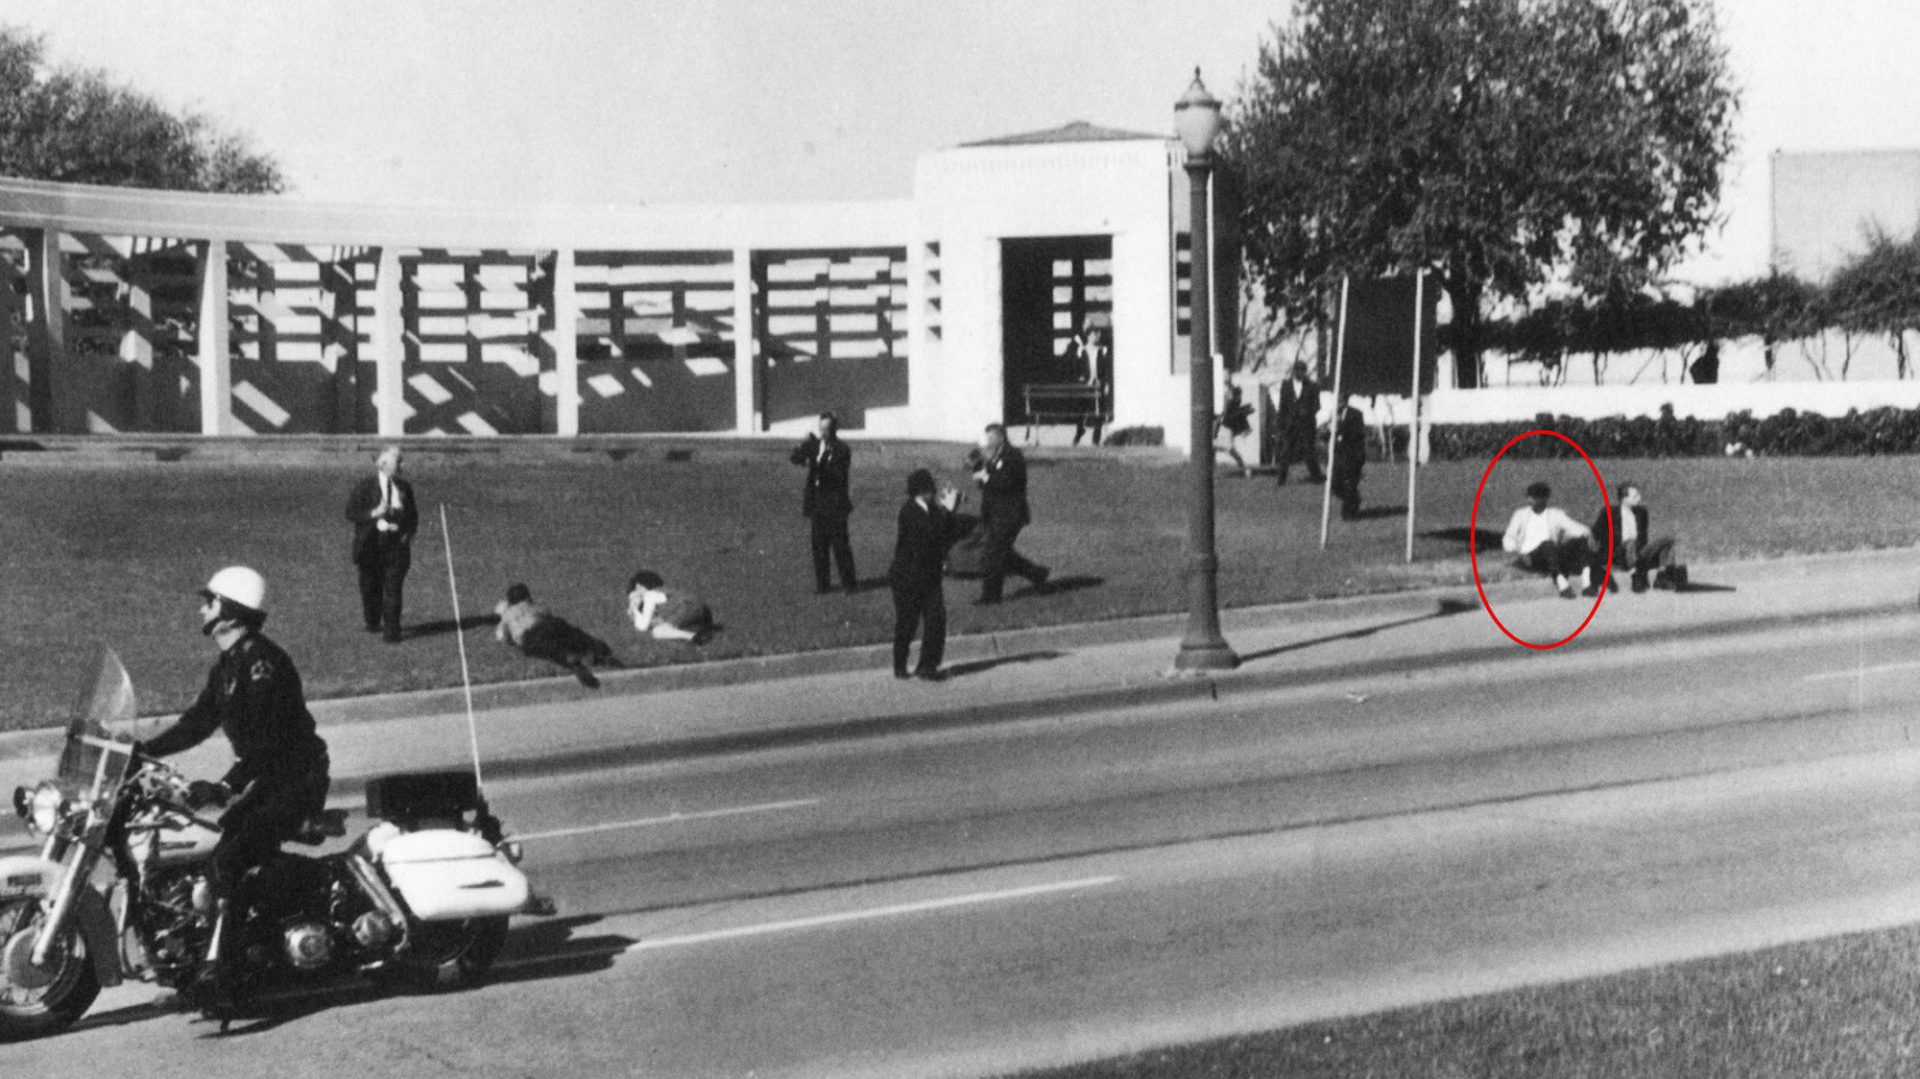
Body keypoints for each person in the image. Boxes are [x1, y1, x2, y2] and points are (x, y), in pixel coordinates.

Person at [137, 566, 331, 1006]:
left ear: (229, 609)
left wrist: (224, 787)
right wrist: (144, 751)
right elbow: (199, 721)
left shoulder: (264, 665)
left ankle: (225, 971)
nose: (202, 606)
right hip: (272, 777)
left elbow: (270, 741)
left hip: (296, 779)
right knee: (215, 850)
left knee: (230, 857)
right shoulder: (229, 664)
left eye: (209, 599)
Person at [888, 468, 964, 681]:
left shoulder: (932, 509)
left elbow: (948, 533)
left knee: (936, 621)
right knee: (907, 622)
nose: (934, 492)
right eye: (931, 489)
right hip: (907, 577)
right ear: (922, 491)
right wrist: (947, 510)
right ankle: (900, 665)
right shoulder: (909, 511)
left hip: (929, 577)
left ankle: (927, 666)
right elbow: (931, 534)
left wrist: (951, 509)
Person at [343, 446, 418, 642]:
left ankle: (392, 632)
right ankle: (372, 621)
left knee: (393, 589)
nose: (403, 465)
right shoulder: (364, 487)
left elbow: (412, 516)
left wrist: (405, 535)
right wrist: (373, 513)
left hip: (396, 547)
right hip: (370, 547)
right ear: (384, 464)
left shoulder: (404, 487)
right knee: (370, 587)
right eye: (398, 461)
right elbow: (350, 512)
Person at [973, 423, 1050, 604]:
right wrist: (979, 472)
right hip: (994, 513)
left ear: (1001, 436)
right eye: (987, 437)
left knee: (993, 553)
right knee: (1002, 553)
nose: (989, 441)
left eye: (992, 436)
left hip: (1010, 514)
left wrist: (987, 477)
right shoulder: (993, 458)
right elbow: (988, 485)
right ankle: (1037, 573)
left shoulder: (1013, 456)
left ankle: (991, 597)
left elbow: (1008, 483)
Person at [494, 583, 618, 688]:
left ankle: (576, 666)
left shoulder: (505, 616)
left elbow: (503, 637)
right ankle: (598, 650)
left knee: (556, 654)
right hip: (544, 626)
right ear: (527, 597)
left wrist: (516, 642)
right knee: (573, 636)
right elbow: (546, 613)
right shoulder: (530, 606)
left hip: (528, 641)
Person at [789, 411, 857, 595]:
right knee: (819, 546)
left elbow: (836, 475)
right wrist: (802, 446)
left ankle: (849, 583)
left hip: (835, 504)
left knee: (840, 546)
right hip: (818, 503)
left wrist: (816, 463)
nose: (824, 433)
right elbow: (795, 458)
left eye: (827, 429)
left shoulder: (842, 449)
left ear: (835, 428)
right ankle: (823, 584)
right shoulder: (815, 445)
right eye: (821, 429)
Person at [1502, 481, 1598, 598]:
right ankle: (1562, 585)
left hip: (1552, 554)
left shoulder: (1555, 514)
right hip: (1531, 556)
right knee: (1547, 544)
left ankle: (1586, 584)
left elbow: (1574, 527)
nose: (1532, 500)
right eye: (1530, 496)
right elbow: (1509, 536)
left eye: (1537, 497)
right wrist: (1517, 551)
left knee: (1580, 540)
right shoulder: (1520, 515)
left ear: (1544, 498)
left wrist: (1587, 534)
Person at [1590, 482, 1685, 593]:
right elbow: (1595, 534)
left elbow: (1643, 538)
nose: (1639, 498)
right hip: (1617, 553)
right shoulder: (1608, 512)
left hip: (1637, 551)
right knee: (1630, 542)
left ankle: (1662, 577)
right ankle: (1636, 577)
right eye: (1635, 496)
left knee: (1668, 540)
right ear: (1624, 499)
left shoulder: (1642, 512)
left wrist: (1645, 553)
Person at [627, 570, 715, 644]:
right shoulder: (664, 591)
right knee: (668, 625)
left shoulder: (649, 596)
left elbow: (643, 626)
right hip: (702, 609)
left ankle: (695, 637)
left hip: (685, 610)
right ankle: (700, 631)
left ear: (639, 587)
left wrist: (634, 608)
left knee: (657, 632)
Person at [1062, 321, 1107, 446]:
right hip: (1086, 384)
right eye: (1094, 334)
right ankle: (1079, 430)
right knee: (1081, 409)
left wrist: (1105, 382)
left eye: (1098, 334)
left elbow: (1105, 368)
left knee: (1099, 410)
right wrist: (1081, 376)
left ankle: (1096, 438)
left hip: (1097, 383)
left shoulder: (1101, 350)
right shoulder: (1082, 350)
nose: (1097, 337)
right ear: (1088, 336)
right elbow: (1076, 367)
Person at [1329, 393, 1367, 519]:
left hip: (1353, 454)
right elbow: (1332, 431)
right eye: (1337, 399)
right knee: (1335, 485)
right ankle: (1354, 500)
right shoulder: (1334, 413)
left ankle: (1349, 513)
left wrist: (1341, 430)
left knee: (1350, 484)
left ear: (1346, 400)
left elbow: (1357, 433)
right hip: (1339, 455)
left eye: (1341, 399)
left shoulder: (1356, 414)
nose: (1339, 401)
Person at [1215, 384, 1254, 477]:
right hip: (1226, 430)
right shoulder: (1232, 403)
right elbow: (1232, 415)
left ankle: (1245, 470)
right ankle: (1245, 470)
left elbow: (1234, 414)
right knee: (1230, 450)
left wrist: (1246, 410)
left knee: (1231, 450)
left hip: (1227, 430)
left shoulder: (1233, 403)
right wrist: (1246, 410)